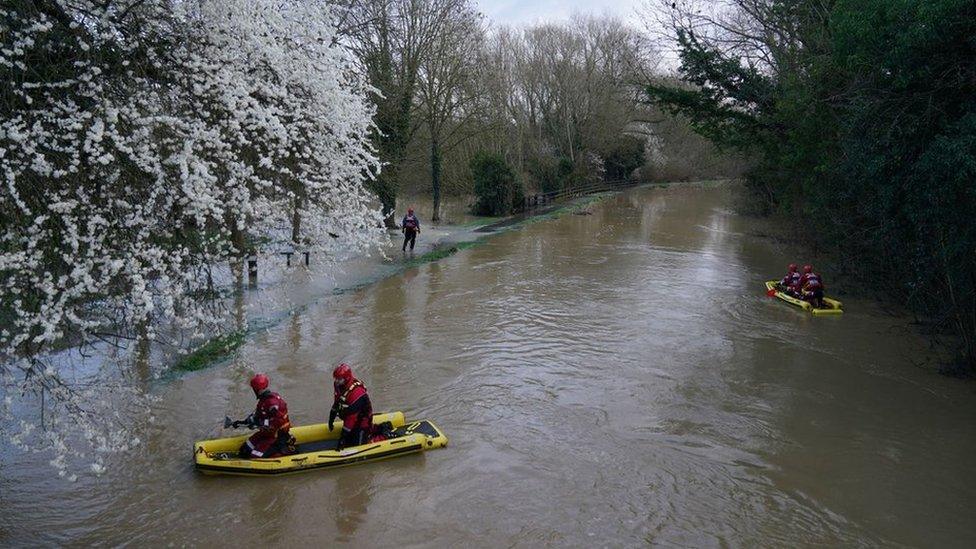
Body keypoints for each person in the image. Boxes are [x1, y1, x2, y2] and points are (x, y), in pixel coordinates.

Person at [238, 373, 295, 458]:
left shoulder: (272, 403)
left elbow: (277, 422)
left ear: (258, 389)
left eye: (254, 389)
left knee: (256, 456)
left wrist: (259, 424)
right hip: (266, 434)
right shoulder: (263, 401)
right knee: (245, 449)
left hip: (277, 435)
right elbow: (257, 415)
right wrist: (243, 422)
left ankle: (284, 450)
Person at [329, 363, 382, 449]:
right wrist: (331, 418)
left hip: (362, 421)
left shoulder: (356, 393)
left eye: (339, 379)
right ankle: (376, 429)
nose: (336, 381)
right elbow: (337, 401)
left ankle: (384, 436)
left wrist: (342, 438)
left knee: (358, 445)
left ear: (346, 378)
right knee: (349, 440)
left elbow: (351, 418)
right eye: (336, 379)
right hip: (351, 418)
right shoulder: (338, 385)